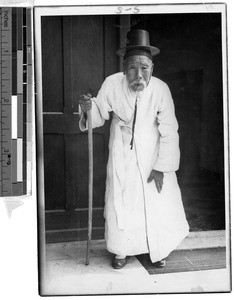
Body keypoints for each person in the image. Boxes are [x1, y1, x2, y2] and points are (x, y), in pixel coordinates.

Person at [79, 29, 189, 269]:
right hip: (122, 151)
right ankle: (122, 250)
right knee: (122, 198)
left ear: (152, 68)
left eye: (144, 68)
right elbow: (99, 113)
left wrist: (162, 167)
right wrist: (89, 108)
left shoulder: (161, 89)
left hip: (153, 153)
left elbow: (170, 130)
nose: (138, 74)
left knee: (157, 200)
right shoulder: (111, 84)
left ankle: (158, 249)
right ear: (124, 67)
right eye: (132, 68)